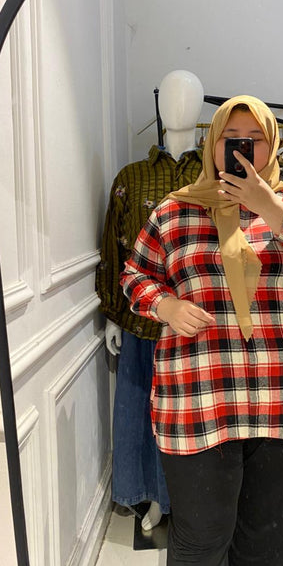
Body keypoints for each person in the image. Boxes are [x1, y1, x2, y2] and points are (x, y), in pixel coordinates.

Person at [121, 95, 283, 566]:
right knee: (199, 539)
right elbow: (135, 275)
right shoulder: (175, 211)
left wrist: (274, 210)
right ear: (213, 145)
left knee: (267, 541)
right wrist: (164, 305)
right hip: (199, 401)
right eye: (232, 139)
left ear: (271, 146)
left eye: (254, 139)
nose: (242, 149)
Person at [96, 70, 204, 531]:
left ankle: (192, 500)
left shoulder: (215, 175)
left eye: (190, 96)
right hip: (142, 318)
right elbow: (114, 246)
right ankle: (151, 495)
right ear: (158, 105)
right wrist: (112, 314)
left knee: (193, 417)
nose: (179, 105)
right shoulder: (131, 177)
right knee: (141, 411)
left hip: (199, 325)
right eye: (172, 96)